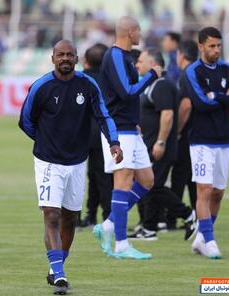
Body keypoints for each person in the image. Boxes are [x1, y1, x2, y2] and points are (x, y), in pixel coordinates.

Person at [18, 39, 122, 295]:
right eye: (61, 54)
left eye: (70, 55)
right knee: (51, 215)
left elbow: (103, 115)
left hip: (77, 162)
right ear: (52, 58)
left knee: (70, 218)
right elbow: (25, 121)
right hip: (47, 162)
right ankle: (61, 275)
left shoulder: (87, 85)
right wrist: (44, 141)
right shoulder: (41, 86)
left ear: (77, 59)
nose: (65, 58)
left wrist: (114, 142)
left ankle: (55, 268)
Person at [93, 16, 162, 260]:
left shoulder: (126, 57)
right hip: (118, 130)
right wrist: (151, 76)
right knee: (122, 183)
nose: (141, 34)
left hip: (130, 128)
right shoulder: (115, 56)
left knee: (147, 180)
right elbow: (126, 92)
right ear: (130, 32)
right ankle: (121, 244)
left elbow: (128, 95)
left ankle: (109, 225)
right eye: (139, 30)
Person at [185, 27, 229, 259]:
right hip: (200, 140)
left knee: (218, 192)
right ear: (200, 46)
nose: (216, 50)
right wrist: (223, 98)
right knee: (204, 190)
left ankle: (201, 236)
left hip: (223, 139)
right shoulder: (192, 71)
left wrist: (217, 96)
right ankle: (209, 240)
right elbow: (200, 103)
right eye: (211, 46)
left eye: (219, 46)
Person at [129, 48, 197, 241]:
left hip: (161, 147)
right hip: (149, 146)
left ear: (153, 64)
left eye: (141, 61)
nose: (137, 64)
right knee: (147, 185)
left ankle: (187, 214)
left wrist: (160, 142)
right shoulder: (150, 85)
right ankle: (149, 228)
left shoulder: (162, 85)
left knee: (154, 185)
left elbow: (167, 114)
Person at [78, 43, 113, 228]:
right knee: (103, 178)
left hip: (80, 135)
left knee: (77, 177)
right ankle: (108, 217)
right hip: (102, 135)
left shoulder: (80, 80)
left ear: (85, 61)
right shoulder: (109, 80)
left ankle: (82, 216)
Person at [169, 40, 199, 220]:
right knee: (192, 177)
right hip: (198, 131)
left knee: (179, 175)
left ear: (181, 55)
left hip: (188, 132)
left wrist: (178, 130)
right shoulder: (198, 71)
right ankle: (198, 214)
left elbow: (186, 105)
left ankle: (173, 216)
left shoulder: (186, 74)